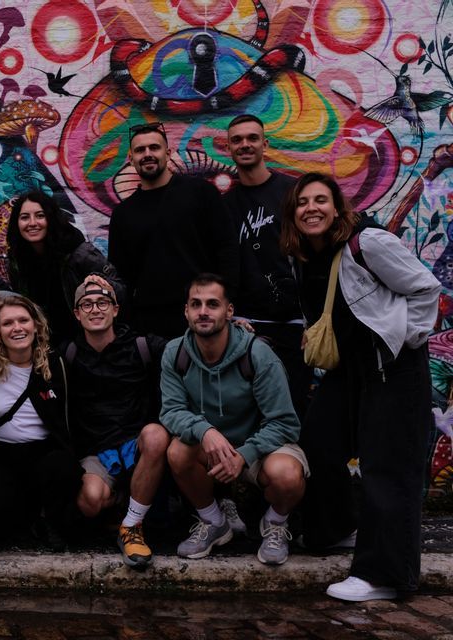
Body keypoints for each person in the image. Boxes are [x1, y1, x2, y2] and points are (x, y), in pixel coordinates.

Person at [280, 173, 440, 601]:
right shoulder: (305, 255)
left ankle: (384, 576)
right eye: (302, 202)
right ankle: (337, 529)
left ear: (337, 208)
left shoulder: (367, 242)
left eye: (320, 200)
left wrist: (405, 339)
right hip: (350, 370)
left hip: (393, 368)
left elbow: (425, 288)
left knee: (387, 466)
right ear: (293, 213)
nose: (311, 208)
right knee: (319, 443)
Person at [161, 274, 307, 566]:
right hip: (211, 449)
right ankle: (214, 521)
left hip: (259, 450)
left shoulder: (257, 354)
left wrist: (245, 454)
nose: (203, 311)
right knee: (177, 451)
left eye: (212, 304)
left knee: (288, 475)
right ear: (186, 311)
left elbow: (284, 423)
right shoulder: (176, 352)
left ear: (229, 311)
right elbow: (171, 411)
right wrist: (205, 431)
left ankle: (275, 524)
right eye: (196, 304)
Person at [64, 278, 170, 569]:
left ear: (115, 309)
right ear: (77, 314)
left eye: (102, 303)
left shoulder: (142, 346)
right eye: (87, 304)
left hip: (138, 447)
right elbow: (24, 355)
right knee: (89, 501)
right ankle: (124, 501)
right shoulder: (68, 354)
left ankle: (132, 525)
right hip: (97, 451)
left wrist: (234, 329)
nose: (95, 309)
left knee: (156, 435)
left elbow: (189, 347)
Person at [0, 295, 81, 551]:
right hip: (0, 453)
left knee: (64, 467)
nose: (17, 328)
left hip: (44, 452)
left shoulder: (55, 363)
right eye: (8, 323)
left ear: (36, 326)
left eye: (23, 320)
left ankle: (50, 521)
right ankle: (21, 517)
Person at [109, 122, 238, 338]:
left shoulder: (201, 192)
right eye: (140, 150)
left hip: (202, 315)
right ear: (131, 159)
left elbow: (227, 249)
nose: (147, 154)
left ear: (168, 153)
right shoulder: (123, 214)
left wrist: (226, 301)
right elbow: (121, 276)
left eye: (154, 147)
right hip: (150, 325)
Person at [222, 114, 309, 418]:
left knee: (293, 411)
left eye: (252, 138)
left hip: (294, 326)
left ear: (265, 144)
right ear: (228, 149)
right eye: (237, 140)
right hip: (246, 326)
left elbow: (315, 257)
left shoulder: (292, 192)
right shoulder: (225, 205)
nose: (245, 145)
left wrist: (313, 319)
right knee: (249, 414)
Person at [7, 191, 124, 345]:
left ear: (51, 218)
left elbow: (120, 291)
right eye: (24, 217)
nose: (32, 223)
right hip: (47, 344)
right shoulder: (17, 261)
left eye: (40, 215)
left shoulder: (80, 253)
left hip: (88, 343)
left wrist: (102, 284)